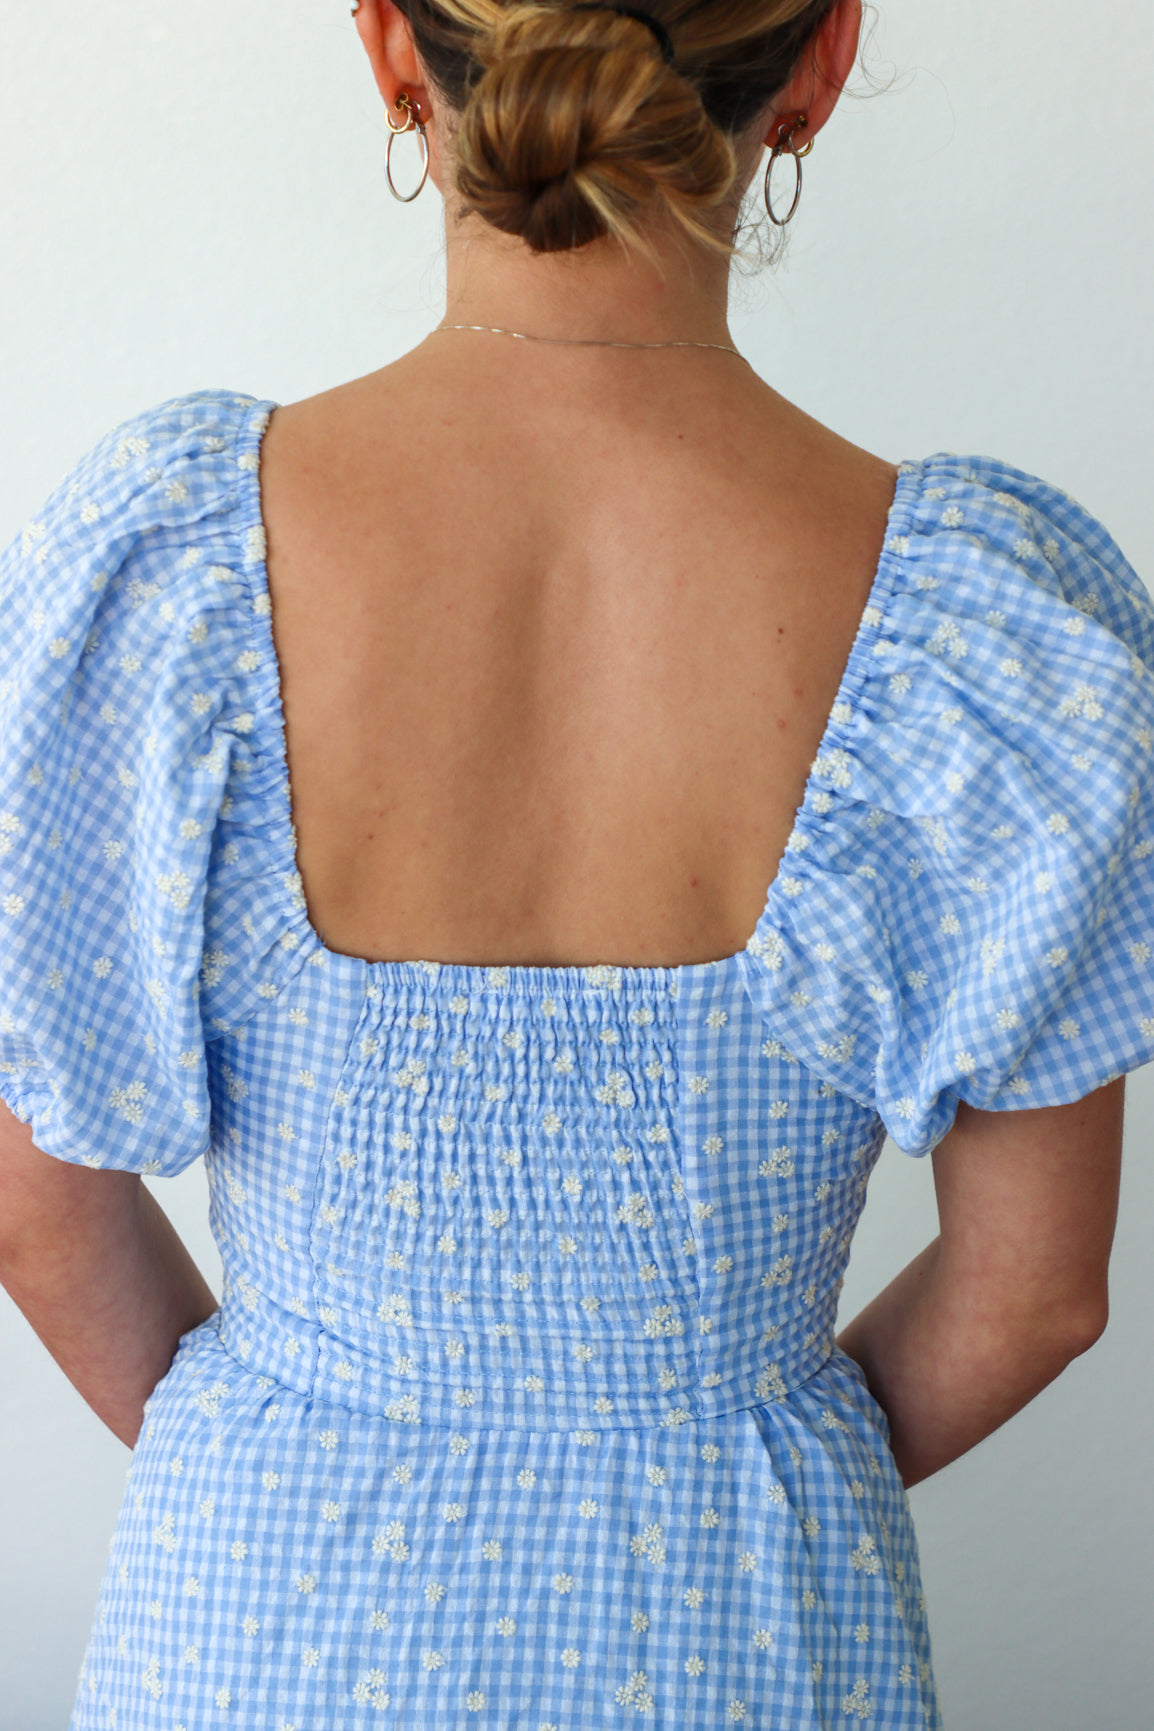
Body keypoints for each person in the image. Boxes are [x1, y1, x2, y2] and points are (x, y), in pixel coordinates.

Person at [0, 0, 1144, 1724]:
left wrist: (306, 1439)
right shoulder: (990, 624)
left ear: (394, 53)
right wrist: (724, 1456)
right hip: (745, 1640)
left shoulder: (161, 562)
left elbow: (39, 1213)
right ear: (820, 63)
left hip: (259, 1634)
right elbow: (1039, 1295)